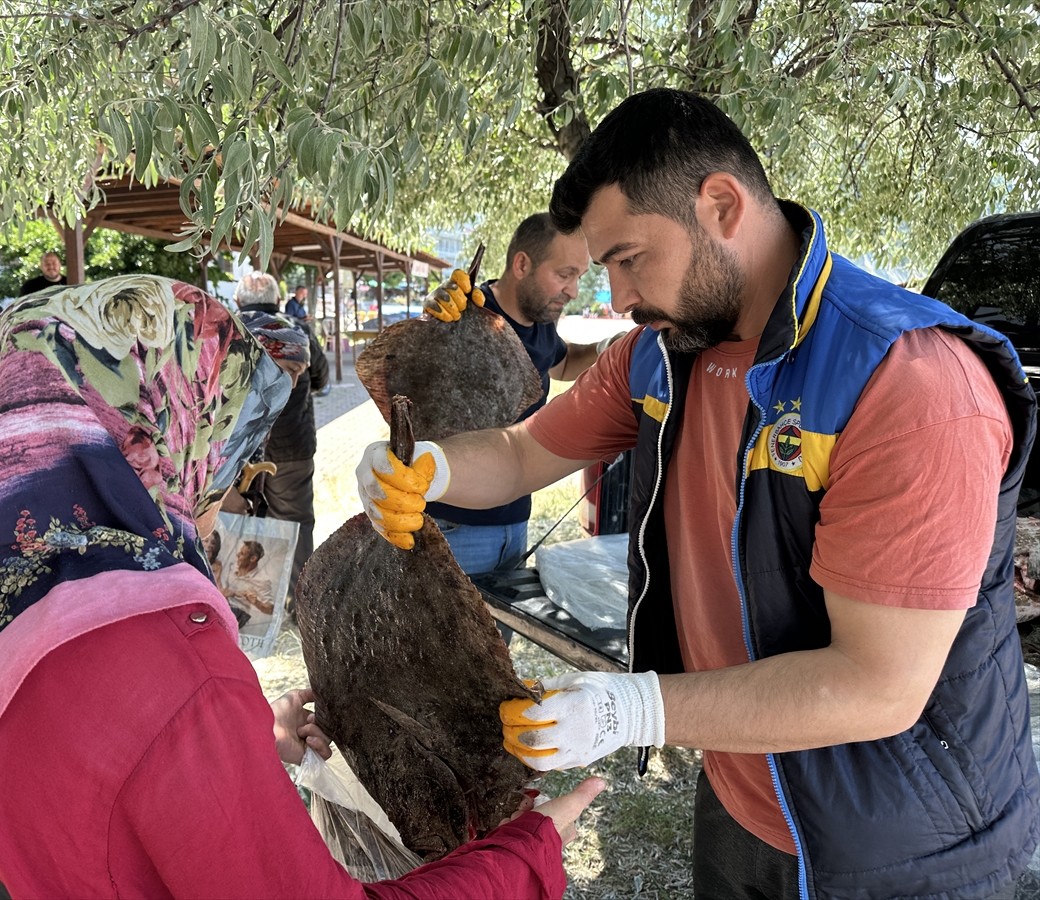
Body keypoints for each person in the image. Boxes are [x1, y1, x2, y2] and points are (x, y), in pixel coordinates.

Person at [356, 89, 1039, 899]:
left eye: (628, 259)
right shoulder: (661, 353)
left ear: (720, 205)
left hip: (901, 845)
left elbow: (877, 684)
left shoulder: (908, 384)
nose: (614, 300)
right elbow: (521, 451)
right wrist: (428, 464)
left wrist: (631, 711)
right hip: (738, 794)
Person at [0, 273, 602, 898]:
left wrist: (235, 754)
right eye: (225, 444)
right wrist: (526, 852)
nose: (233, 490)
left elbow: (68, 795)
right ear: (156, 437)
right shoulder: (174, 672)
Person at [423, 214, 620, 585]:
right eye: (565, 274)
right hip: (455, 524)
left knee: (501, 640)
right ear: (522, 264)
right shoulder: (466, 315)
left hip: (515, 518)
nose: (574, 290)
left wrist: (607, 348)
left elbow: (560, 363)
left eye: (579, 276)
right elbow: (418, 373)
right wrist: (435, 318)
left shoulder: (541, 320)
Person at [236, 281, 329, 598]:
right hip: (291, 446)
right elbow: (321, 376)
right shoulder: (298, 328)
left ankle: (246, 597)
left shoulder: (227, 327)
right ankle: (298, 601)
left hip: (236, 450)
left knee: (237, 520)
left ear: (237, 299)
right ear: (277, 300)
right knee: (296, 524)